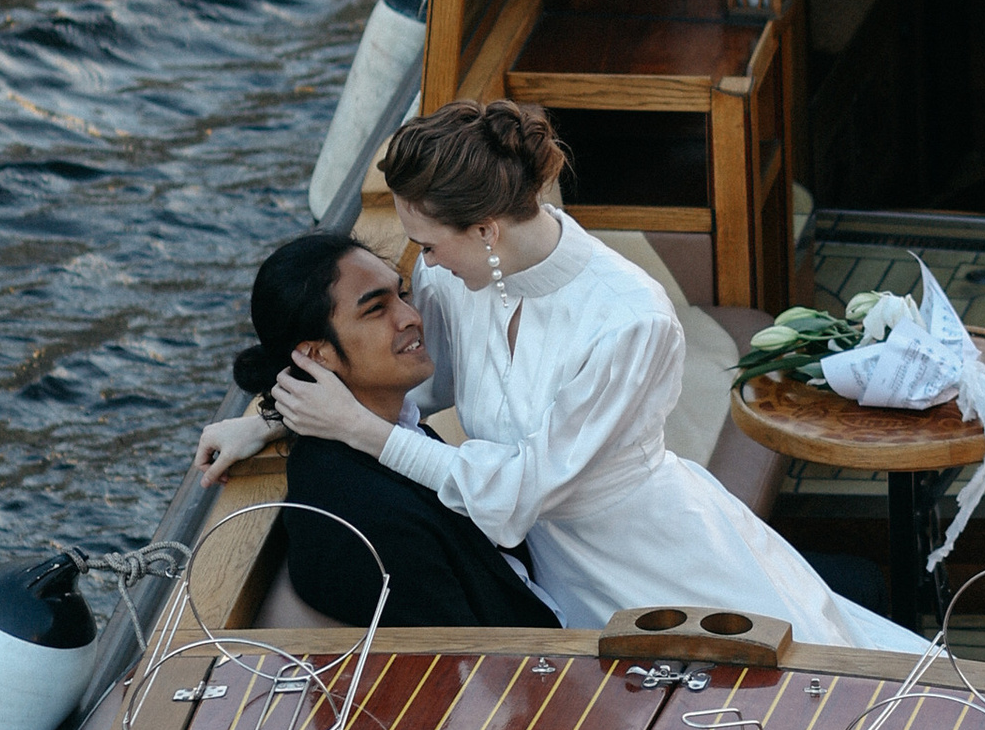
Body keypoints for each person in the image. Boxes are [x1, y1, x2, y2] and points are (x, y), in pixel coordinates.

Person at [256, 99, 926, 653]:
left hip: (647, 555)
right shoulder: (457, 276)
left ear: (486, 232)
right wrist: (269, 419)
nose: (422, 264)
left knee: (798, 682)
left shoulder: (629, 321)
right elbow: (415, 386)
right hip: (547, 567)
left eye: (428, 244)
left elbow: (520, 494)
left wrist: (362, 434)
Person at [197, 230, 552, 633]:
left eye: (402, 295)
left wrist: (270, 422)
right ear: (316, 355)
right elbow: (462, 658)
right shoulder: (365, 515)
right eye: (376, 309)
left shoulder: (390, 433)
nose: (411, 317)